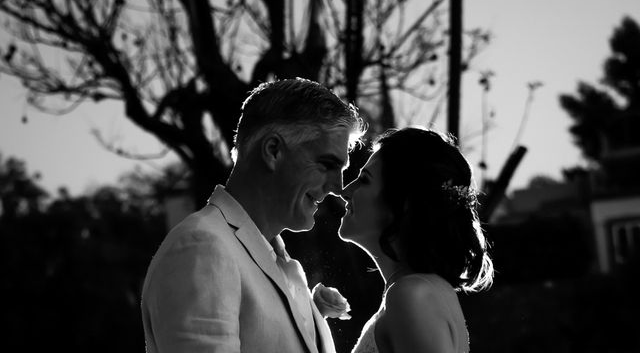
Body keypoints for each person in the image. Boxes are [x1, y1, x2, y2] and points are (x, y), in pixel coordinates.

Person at [141, 77, 366, 353]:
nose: (337, 187)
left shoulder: (280, 263)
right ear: (273, 151)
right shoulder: (202, 247)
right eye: (327, 164)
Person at [338, 126, 494, 353]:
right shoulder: (420, 290)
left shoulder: (411, 295)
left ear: (403, 203)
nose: (346, 191)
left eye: (365, 179)